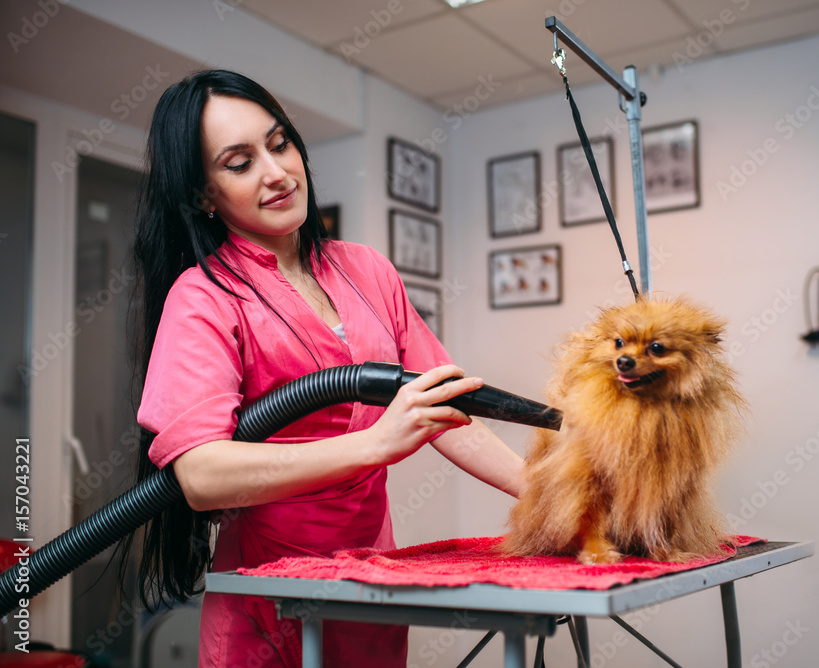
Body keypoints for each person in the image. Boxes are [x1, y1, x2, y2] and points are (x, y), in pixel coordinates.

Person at [123, 69, 525, 667]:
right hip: (271, 594)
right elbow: (202, 474)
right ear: (204, 195)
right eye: (239, 163)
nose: (277, 172)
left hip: (371, 583)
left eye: (279, 143)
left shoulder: (366, 270)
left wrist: (554, 496)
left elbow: (449, 405)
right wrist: (374, 444)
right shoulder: (204, 295)